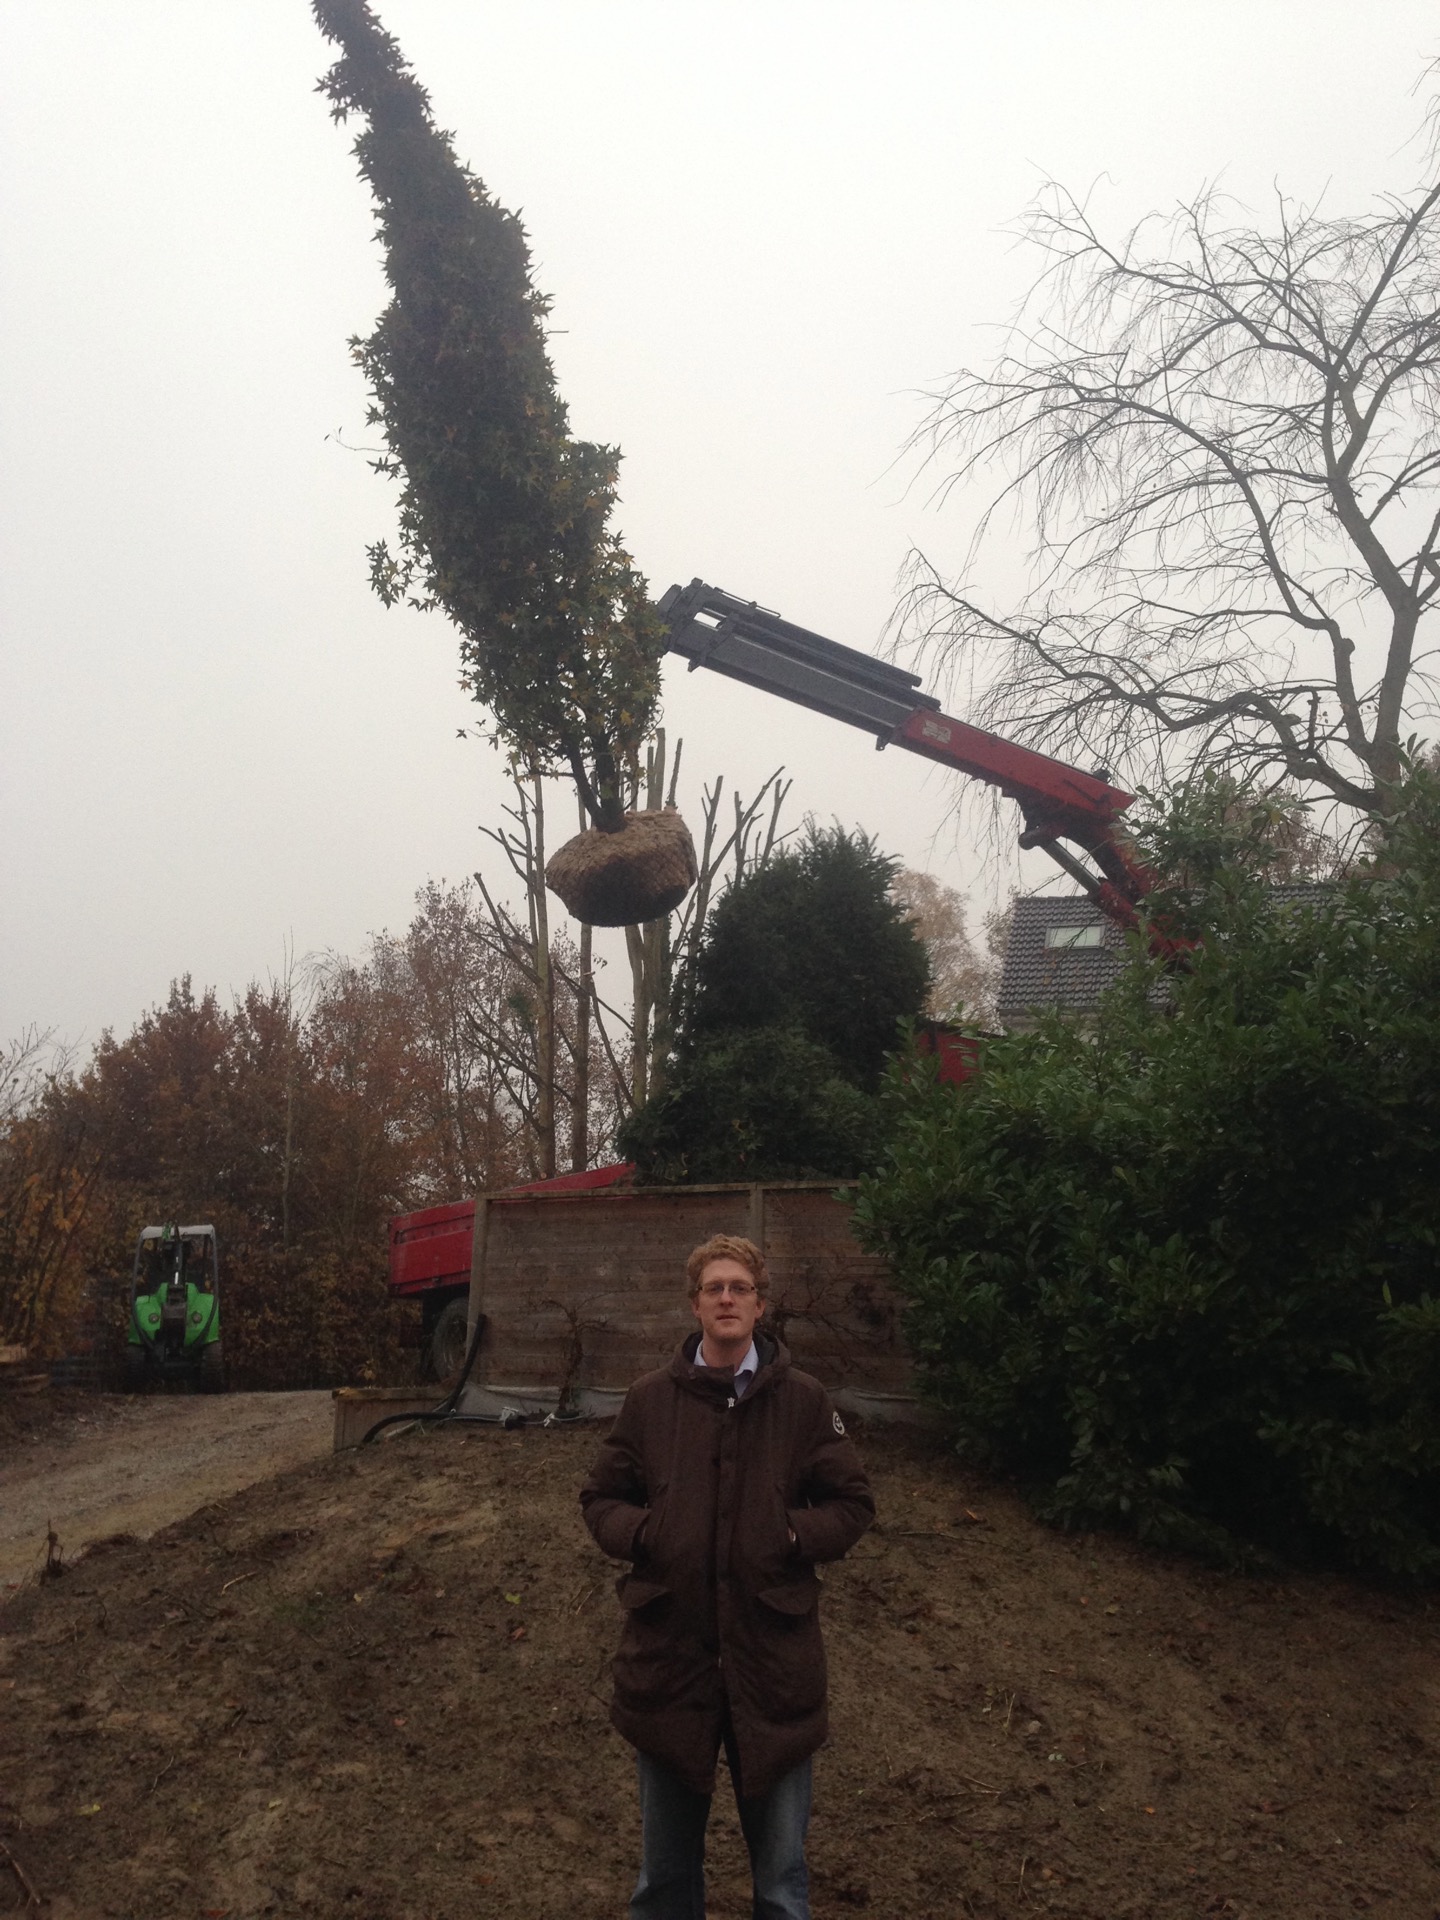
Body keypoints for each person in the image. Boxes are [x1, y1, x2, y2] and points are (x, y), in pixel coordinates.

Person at [580, 1233, 875, 1920]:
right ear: (695, 1305)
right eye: (713, 1288)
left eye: (739, 1288)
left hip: (774, 1668)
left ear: (760, 1305)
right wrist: (646, 1534)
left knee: (781, 1884)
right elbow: (600, 1498)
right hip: (669, 1666)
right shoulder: (650, 1400)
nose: (726, 1298)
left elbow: (853, 1504)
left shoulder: (803, 1401)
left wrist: (793, 1534)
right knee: (663, 1882)